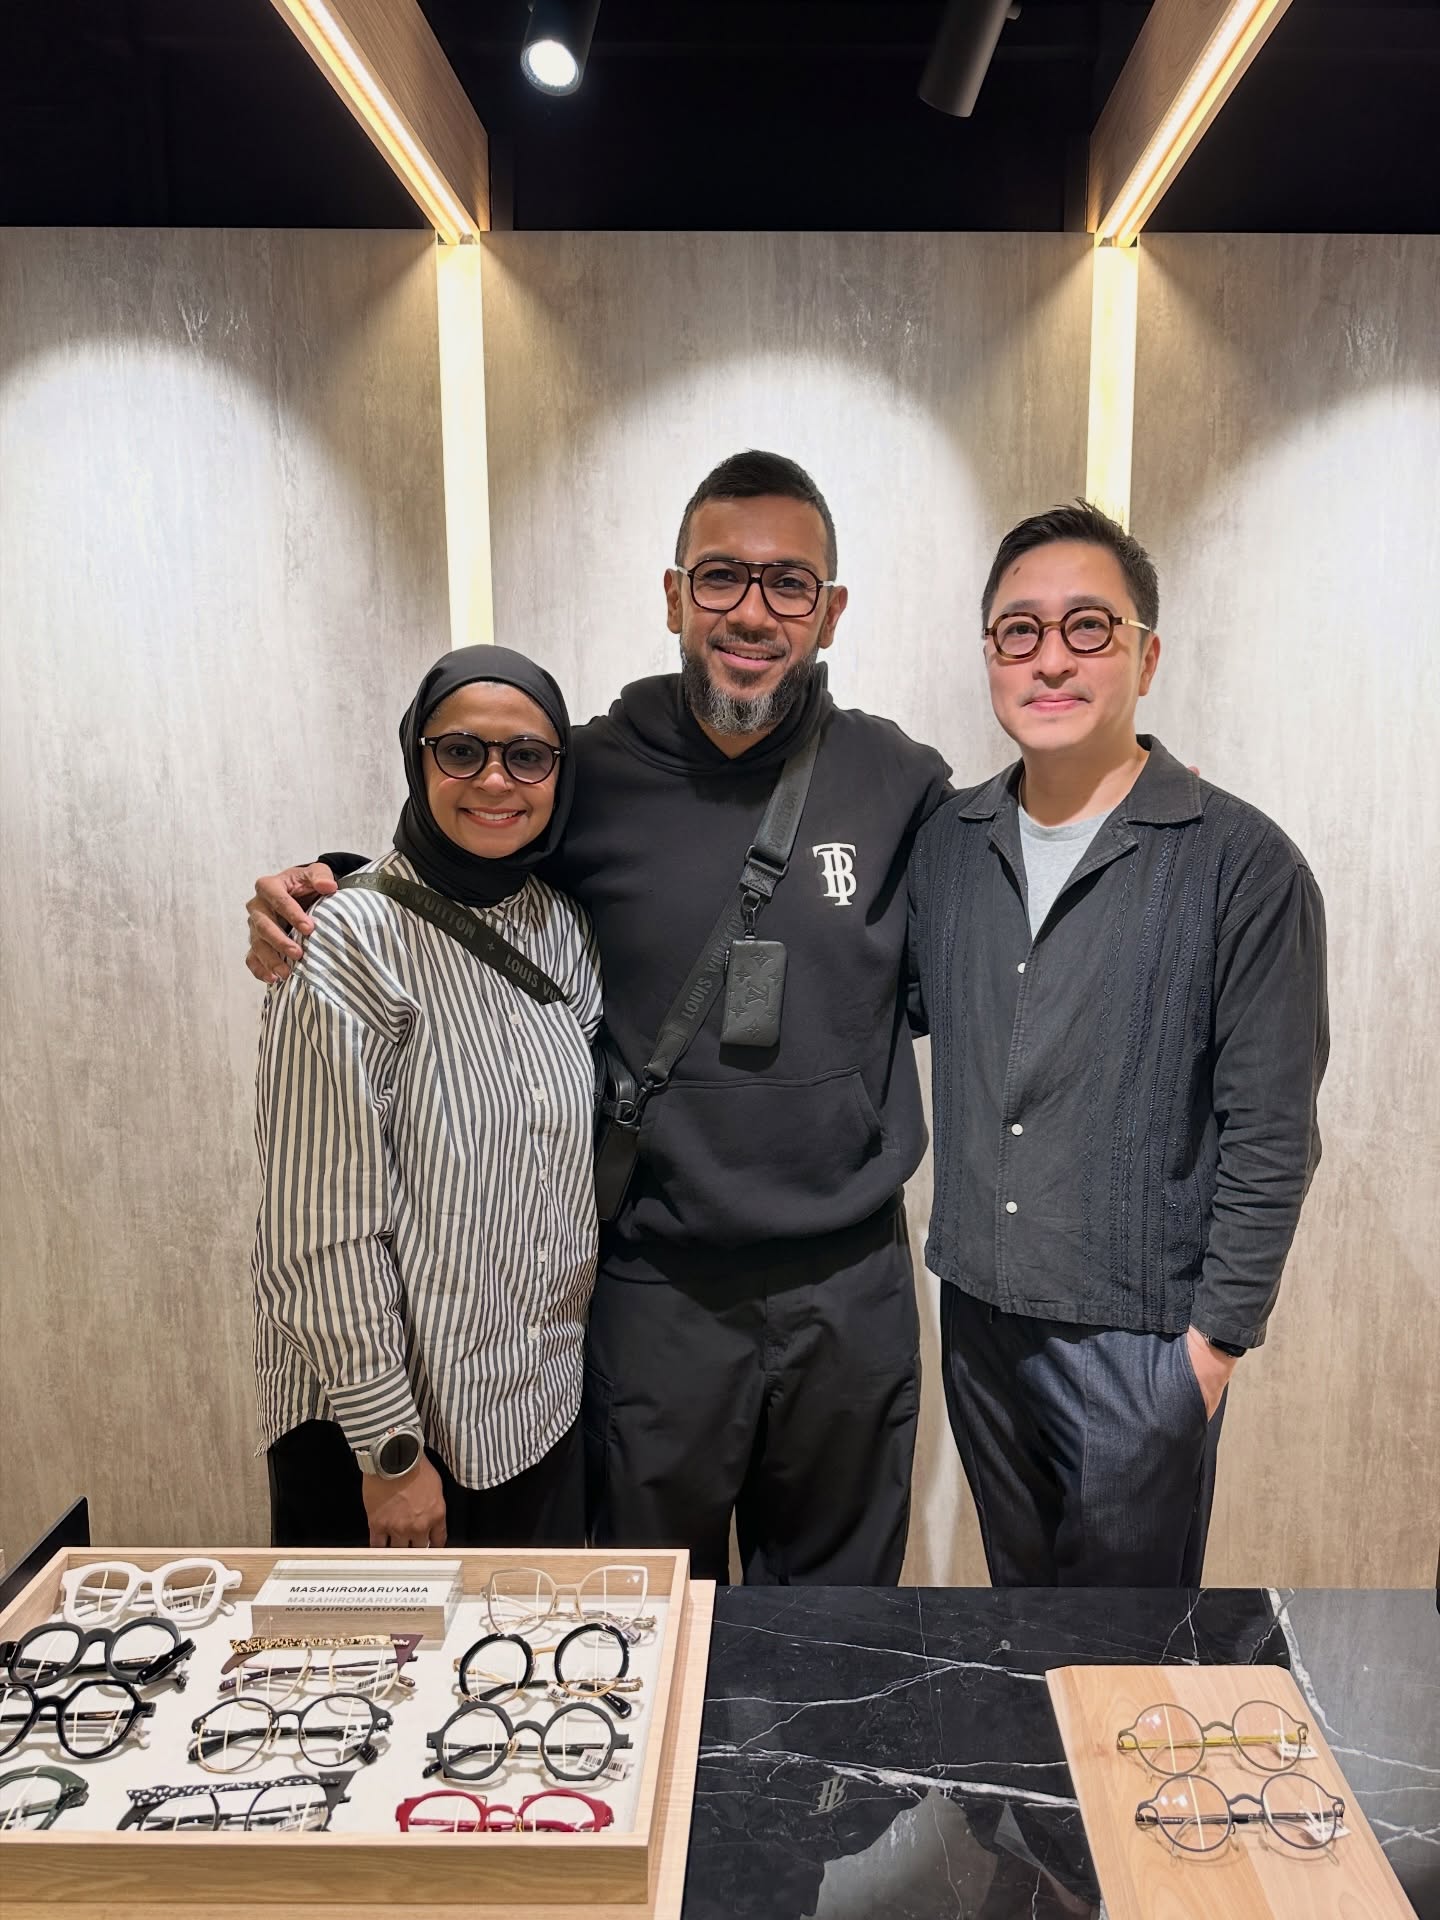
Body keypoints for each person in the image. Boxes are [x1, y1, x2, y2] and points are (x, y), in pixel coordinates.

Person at [246, 450, 952, 1584]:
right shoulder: (588, 773)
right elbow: (460, 863)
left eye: (789, 585)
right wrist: (320, 889)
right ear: (674, 595)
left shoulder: (901, 779)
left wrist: (1115, 796)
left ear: (831, 612)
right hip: (656, 1286)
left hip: (849, 1282)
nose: (753, 612)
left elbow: (1002, 924)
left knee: (839, 1612)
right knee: (642, 1605)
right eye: (722, 578)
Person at [909, 501, 1329, 1587]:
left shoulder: (1241, 863)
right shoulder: (950, 846)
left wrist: (1208, 1356)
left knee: (1130, 1663)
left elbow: (1272, 1128)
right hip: (980, 1322)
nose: (1051, 658)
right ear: (991, 656)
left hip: (1141, 1344)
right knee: (1018, 1629)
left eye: (1088, 627)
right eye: (1019, 631)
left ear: (1145, 656)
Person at [254, 646, 601, 1552]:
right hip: (387, 1445)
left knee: (523, 1685)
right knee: (368, 1691)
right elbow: (315, 1232)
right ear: (418, 756)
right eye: (461, 751)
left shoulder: (560, 929)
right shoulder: (341, 941)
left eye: (528, 755)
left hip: (533, 1412)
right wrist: (391, 1455)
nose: (496, 779)